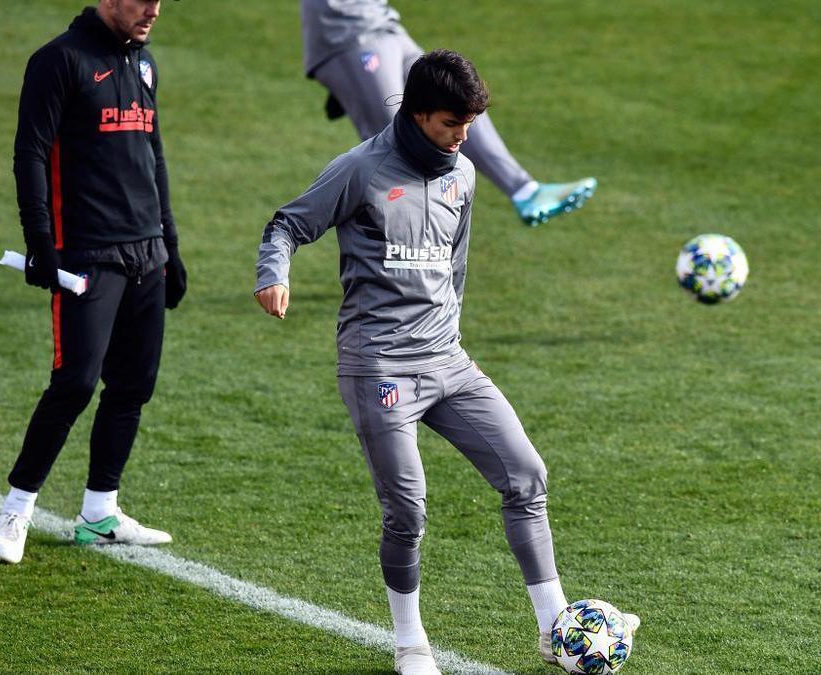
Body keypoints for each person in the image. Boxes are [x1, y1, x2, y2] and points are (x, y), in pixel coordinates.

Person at [255, 49, 637, 674]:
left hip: (448, 360)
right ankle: (410, 643)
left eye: (470, 125)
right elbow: (286, 225)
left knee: (526, 476)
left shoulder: (462, 175)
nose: (463, 138)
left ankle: (556, 629)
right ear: (418, 114)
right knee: (407, 511)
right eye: (452, 125)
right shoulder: (360, 169)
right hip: (379, 366)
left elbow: (454, 267)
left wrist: (446, 340)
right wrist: (275, 276)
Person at [0, 0, 186, 565]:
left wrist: (169, 243)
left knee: (133, 385)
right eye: (142, 0)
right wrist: (41, 246)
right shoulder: (58, 61)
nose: (154, 10)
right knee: (75, 382)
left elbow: (153, 153)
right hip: (88, 257)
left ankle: (100, 513)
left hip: (146, 252)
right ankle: (18, 508)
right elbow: (29, 154)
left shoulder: (144, 63)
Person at [301, 0, 597, 227]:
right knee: (394, 141)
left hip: (383, 21)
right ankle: (382, 250)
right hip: (344, 32)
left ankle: (525, 191)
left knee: (455, 97)